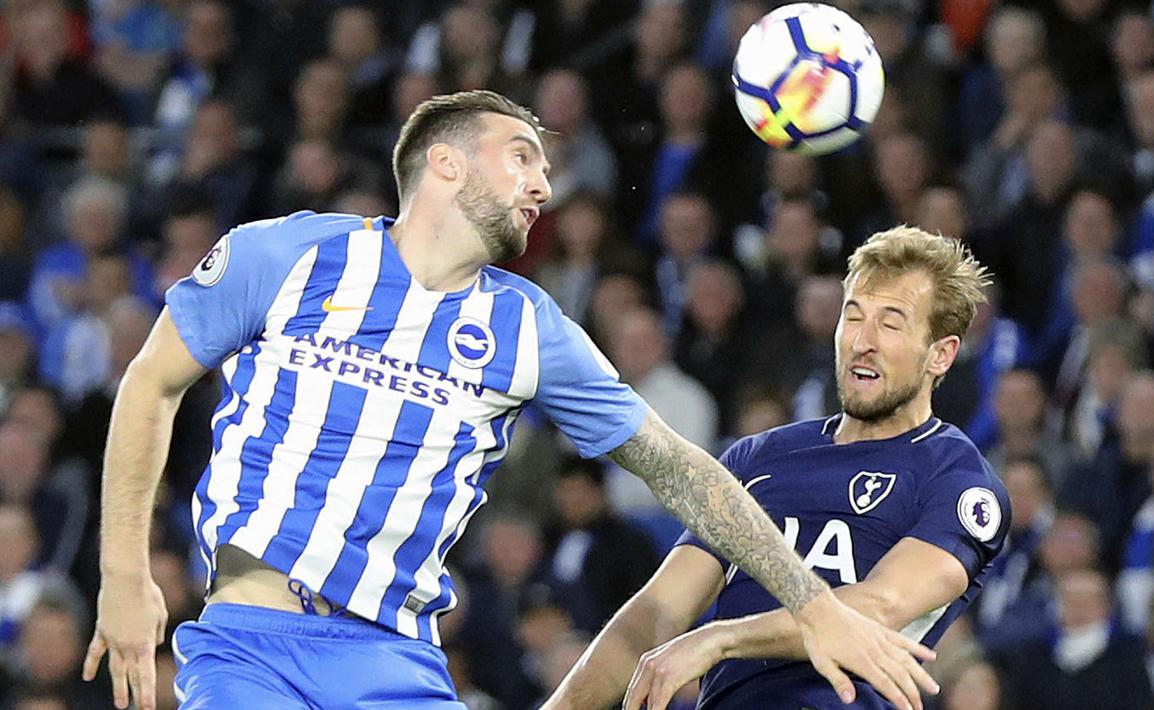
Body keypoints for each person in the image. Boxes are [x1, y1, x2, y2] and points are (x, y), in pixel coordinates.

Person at [80, 91, 938, 710]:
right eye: (522, 156)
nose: (542, 186)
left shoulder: (529, 328)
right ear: (444, 162)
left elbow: (679, 470)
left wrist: (813, 605)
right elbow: (151, 383)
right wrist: (123, 573)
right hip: (250, 645)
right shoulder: (285, 256)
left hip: (395, 661)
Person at [545, 227, 1011, 710]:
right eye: (853, 316)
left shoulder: (958, 480)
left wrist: (720, 639)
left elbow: (879, 606)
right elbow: (656, 611)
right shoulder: (759, 458)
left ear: (941, 354)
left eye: (891, 325)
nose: (863, 341)